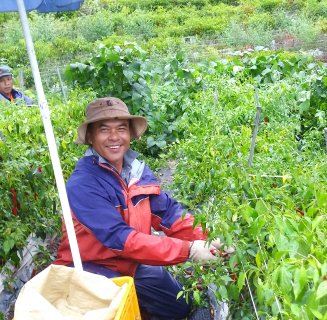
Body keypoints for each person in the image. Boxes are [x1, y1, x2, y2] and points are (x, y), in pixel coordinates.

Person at [54, 97, 234, 320]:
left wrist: (208, 239)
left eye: (121, 128)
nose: (114, 137)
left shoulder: (136, 170)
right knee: (120, 312)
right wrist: (188, 251)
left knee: (178, 307)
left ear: (130, 134)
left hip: (130, 263)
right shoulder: (84, 183)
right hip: (89, 267)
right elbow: (120, 239)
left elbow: (167, 213)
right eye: (104, 130)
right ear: (90, 136)